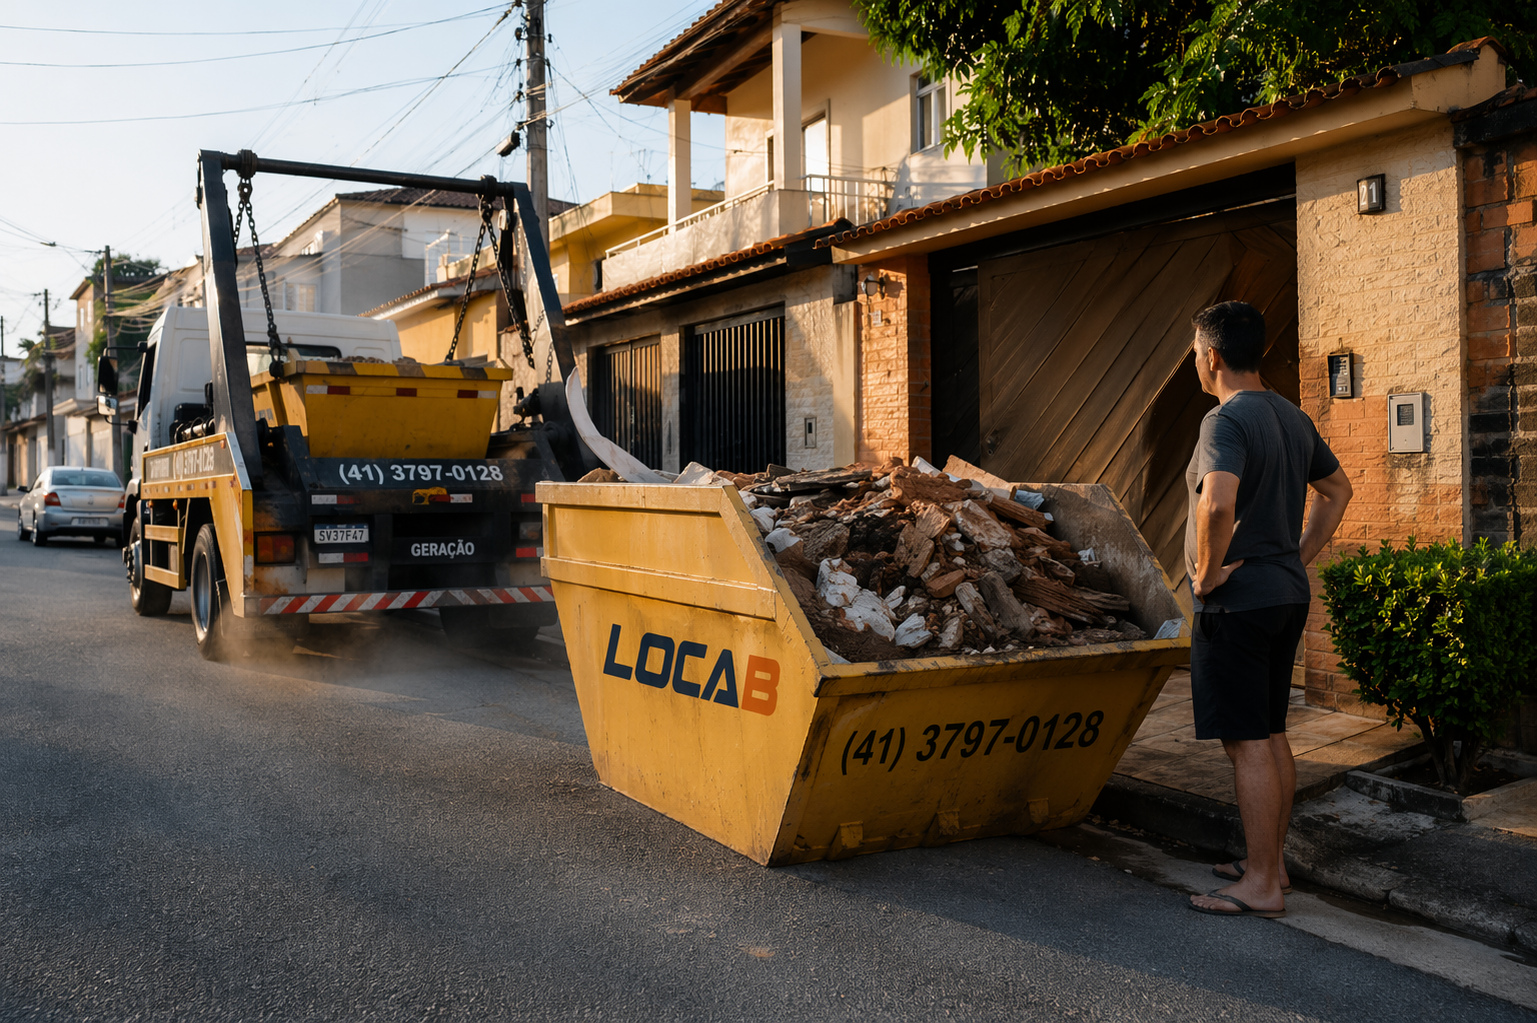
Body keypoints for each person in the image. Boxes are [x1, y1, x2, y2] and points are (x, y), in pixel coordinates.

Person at [1182, 301, 1353, 919]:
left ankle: (1260, 885)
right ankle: (1271, 863)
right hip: (1284, 597)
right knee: (1273, 733)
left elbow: (1217, 505)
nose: (1197, 365)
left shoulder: (1223, 421)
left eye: (1196, 354)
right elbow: (1338, 490)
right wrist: (1297, 555)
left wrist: (1204, 575)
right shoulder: (1292, 416)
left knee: (1247, 742)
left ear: (1213, 356)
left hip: (1239, 606)